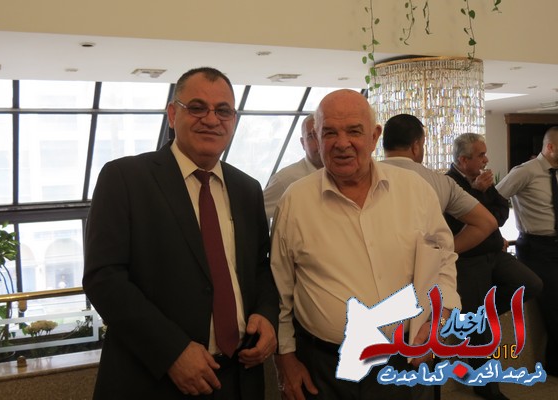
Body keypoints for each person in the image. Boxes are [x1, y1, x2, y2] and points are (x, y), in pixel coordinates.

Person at [83, 67, 279, 399]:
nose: (211, 119)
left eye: (223, 110)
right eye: (197, 107)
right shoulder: (125, 178)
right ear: (173, 114)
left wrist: (266, 313)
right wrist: (171, 351)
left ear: (233, 120)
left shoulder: (247, 189)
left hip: (239, 379)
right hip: (154, 380)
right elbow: (104, 278)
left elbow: (261, 267)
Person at [271, 89, 460, 400]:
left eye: (354, 131)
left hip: (405, 362)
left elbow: (444, 260)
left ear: (374, 137)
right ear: (316, 138)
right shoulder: (294, 201)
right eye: (329, 132)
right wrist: (285, 358)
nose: (342, 143)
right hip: (325, 368)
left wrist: (440, 320)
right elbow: (281, 288)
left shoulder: (415, 191)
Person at [446, 133, 542, 400]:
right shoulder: (448, 183)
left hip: (494, 254)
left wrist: (483, 195)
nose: (486, 160)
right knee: (481, 331)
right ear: (463, 160)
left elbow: (500, 214)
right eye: (481, 155)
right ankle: (486, 387)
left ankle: (481, 315)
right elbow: (455, 224)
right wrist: (476, 193)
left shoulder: (483, 180)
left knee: (531, 284)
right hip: (468, 260)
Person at [381, 114, 497, 254]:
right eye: (423, 144)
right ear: (416, 147)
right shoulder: (442, 182)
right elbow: (486, 222)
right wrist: (444, 252)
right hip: (424, 264)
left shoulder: (363, 177)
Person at [496, 126, 558, 377]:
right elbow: (493, 200)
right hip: (536, 248)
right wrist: (494, 234)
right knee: (555, 303)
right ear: (550, 147)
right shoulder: (525, 171)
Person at [263, 114, 323, 220]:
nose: (319, 142)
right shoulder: (285, 179)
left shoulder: (343, 175)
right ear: (303, 143)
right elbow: (253, 213)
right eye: (311, 137)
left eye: (323, 135)